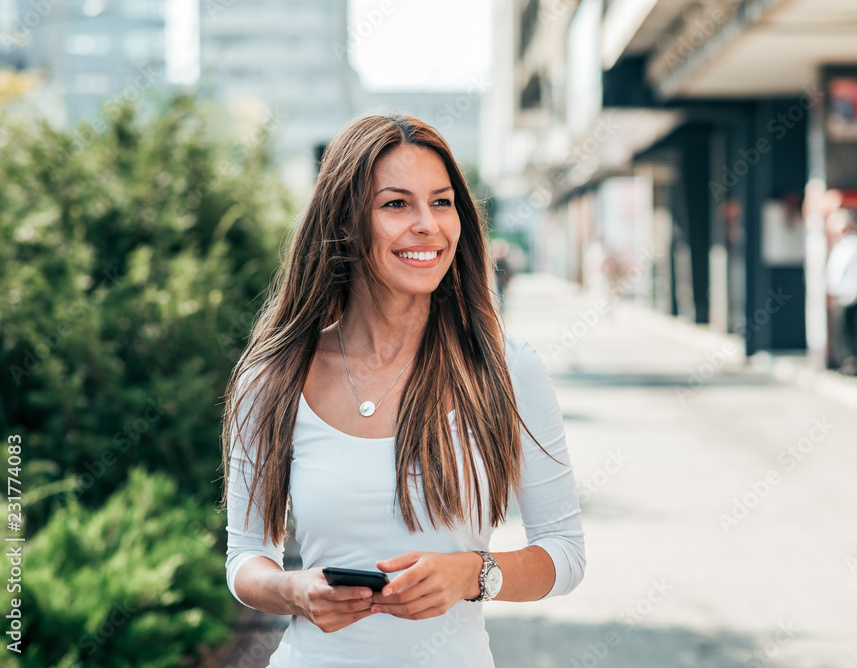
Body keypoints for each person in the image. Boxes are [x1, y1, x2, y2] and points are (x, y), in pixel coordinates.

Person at [219, 113, 586, 667]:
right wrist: (295, 592)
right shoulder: (273, 376)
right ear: (345, 223)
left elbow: (565, 553)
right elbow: (246, 557)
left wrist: (473, 575)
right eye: (397, 204)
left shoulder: (504, 368)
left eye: (441, 202)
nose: (427, 225)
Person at [825, 209, 857, 376]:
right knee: (843, 331)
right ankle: (847, 362)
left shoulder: (854, 243)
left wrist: (852, 293)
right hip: (842, 294)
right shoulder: (843, 244)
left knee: (850, 331)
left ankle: (853, 362)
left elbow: (855, 272)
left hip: (850, 295)